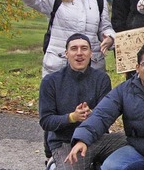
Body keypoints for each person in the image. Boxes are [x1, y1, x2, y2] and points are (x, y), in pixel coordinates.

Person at [17, 0, 115, 77]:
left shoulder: (99, 0)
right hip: (59, 68)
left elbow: (105, 28)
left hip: (92, 69)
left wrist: (110, 39)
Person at [38, 33, 127, 169]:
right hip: (65, 142)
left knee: (134, 144)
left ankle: (97, 164)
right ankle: (54, 164)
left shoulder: (101, 79)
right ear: (66, 53)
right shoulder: (51, 82)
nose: (79, 53)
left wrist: (92, 115)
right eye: (74, 49)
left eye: (84, 48)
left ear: (91, 53)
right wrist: (72, 117)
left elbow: (107, 117)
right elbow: (46, 121)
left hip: (97, 139)